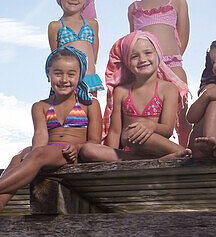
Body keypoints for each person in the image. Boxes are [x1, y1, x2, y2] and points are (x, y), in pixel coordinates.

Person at [0, 47, 102, 222]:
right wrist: (31, 156)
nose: (64, 80)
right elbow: (40, 136)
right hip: (49, 152)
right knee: (20, 156)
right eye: (58, 73)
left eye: (71, 74)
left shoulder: (90, 104)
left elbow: (95, 141)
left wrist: (76, 147)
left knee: (36, 154)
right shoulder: (40, 106)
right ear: (48, 75)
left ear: (80, 76)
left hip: (72, 154)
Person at [80, 31, 190, 161]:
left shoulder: (168, 89)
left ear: (158, 55)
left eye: (148, 53)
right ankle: (149, 161)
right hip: (128, 152)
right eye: (134, 56)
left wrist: (150, 126)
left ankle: (179, 152)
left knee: (132, 134)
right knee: (87, 150)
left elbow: (167, 129)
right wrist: (110, 155)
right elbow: (115, 131)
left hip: (156, 146)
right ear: (127, 62)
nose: (142, 59)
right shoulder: (121, 91)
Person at [128, 0, 191, 136]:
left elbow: (183, 37)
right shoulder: (134, 7)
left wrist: (168, 62)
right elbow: (133, 42)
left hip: (172, 65)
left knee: (181, 113)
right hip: (145, 68)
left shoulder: (177, 2)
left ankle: (186, 152)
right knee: (147, 114)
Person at [48, 0, 104, 94]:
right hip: (66, 81)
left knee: (89, 110)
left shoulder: (92, 24)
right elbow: (55, 57)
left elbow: (94, 56)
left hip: (88, 78)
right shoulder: (55, 26)